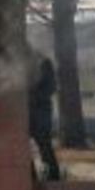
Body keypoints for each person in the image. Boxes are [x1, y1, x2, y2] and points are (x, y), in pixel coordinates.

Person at [29, 51, 61, 181]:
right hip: (24, 112)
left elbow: (51, 87)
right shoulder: (13, 61)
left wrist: (33, 97)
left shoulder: (42, 61)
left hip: (40, 111)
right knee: (20, 147)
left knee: (44, 145)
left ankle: (53, 178)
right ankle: (30, 177)